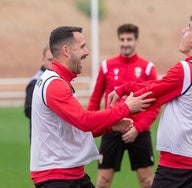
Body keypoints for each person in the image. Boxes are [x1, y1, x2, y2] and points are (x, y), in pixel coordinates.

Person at [108, 12, 192, 188]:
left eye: (188, 28)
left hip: (180, 164)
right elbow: (163, 85)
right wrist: (126, 87)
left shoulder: (186, 69)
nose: (182, 31)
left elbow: (154, 92)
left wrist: (118, 104)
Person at [30, 26, 155, 188]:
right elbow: (85, 120)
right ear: (66, 50)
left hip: (71, 173)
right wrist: (125, 107)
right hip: (57, 177)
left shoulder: (59, 82)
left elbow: (79, 126)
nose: (87, 51)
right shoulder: (55, 85)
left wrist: (109, 127)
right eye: (82, 46)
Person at [87, 23, 160, 188]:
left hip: (138, 131)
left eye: (129, 39)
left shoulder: (147, 67)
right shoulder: (107, 66)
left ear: (136, 41)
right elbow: (95, 98)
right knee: (103, 181)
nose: (125, 43)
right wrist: (91, 126)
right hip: (111, 128)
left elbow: (155, 105)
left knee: (147, 181)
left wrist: (138, 128)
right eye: (122, 39)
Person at [24, 46, 53, 141]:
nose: (52, 63)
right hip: (41, 136)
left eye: (55, 60)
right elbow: (28, 109)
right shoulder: (35, 82)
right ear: (43, 60)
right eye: (50, 60)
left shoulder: (57, 79)